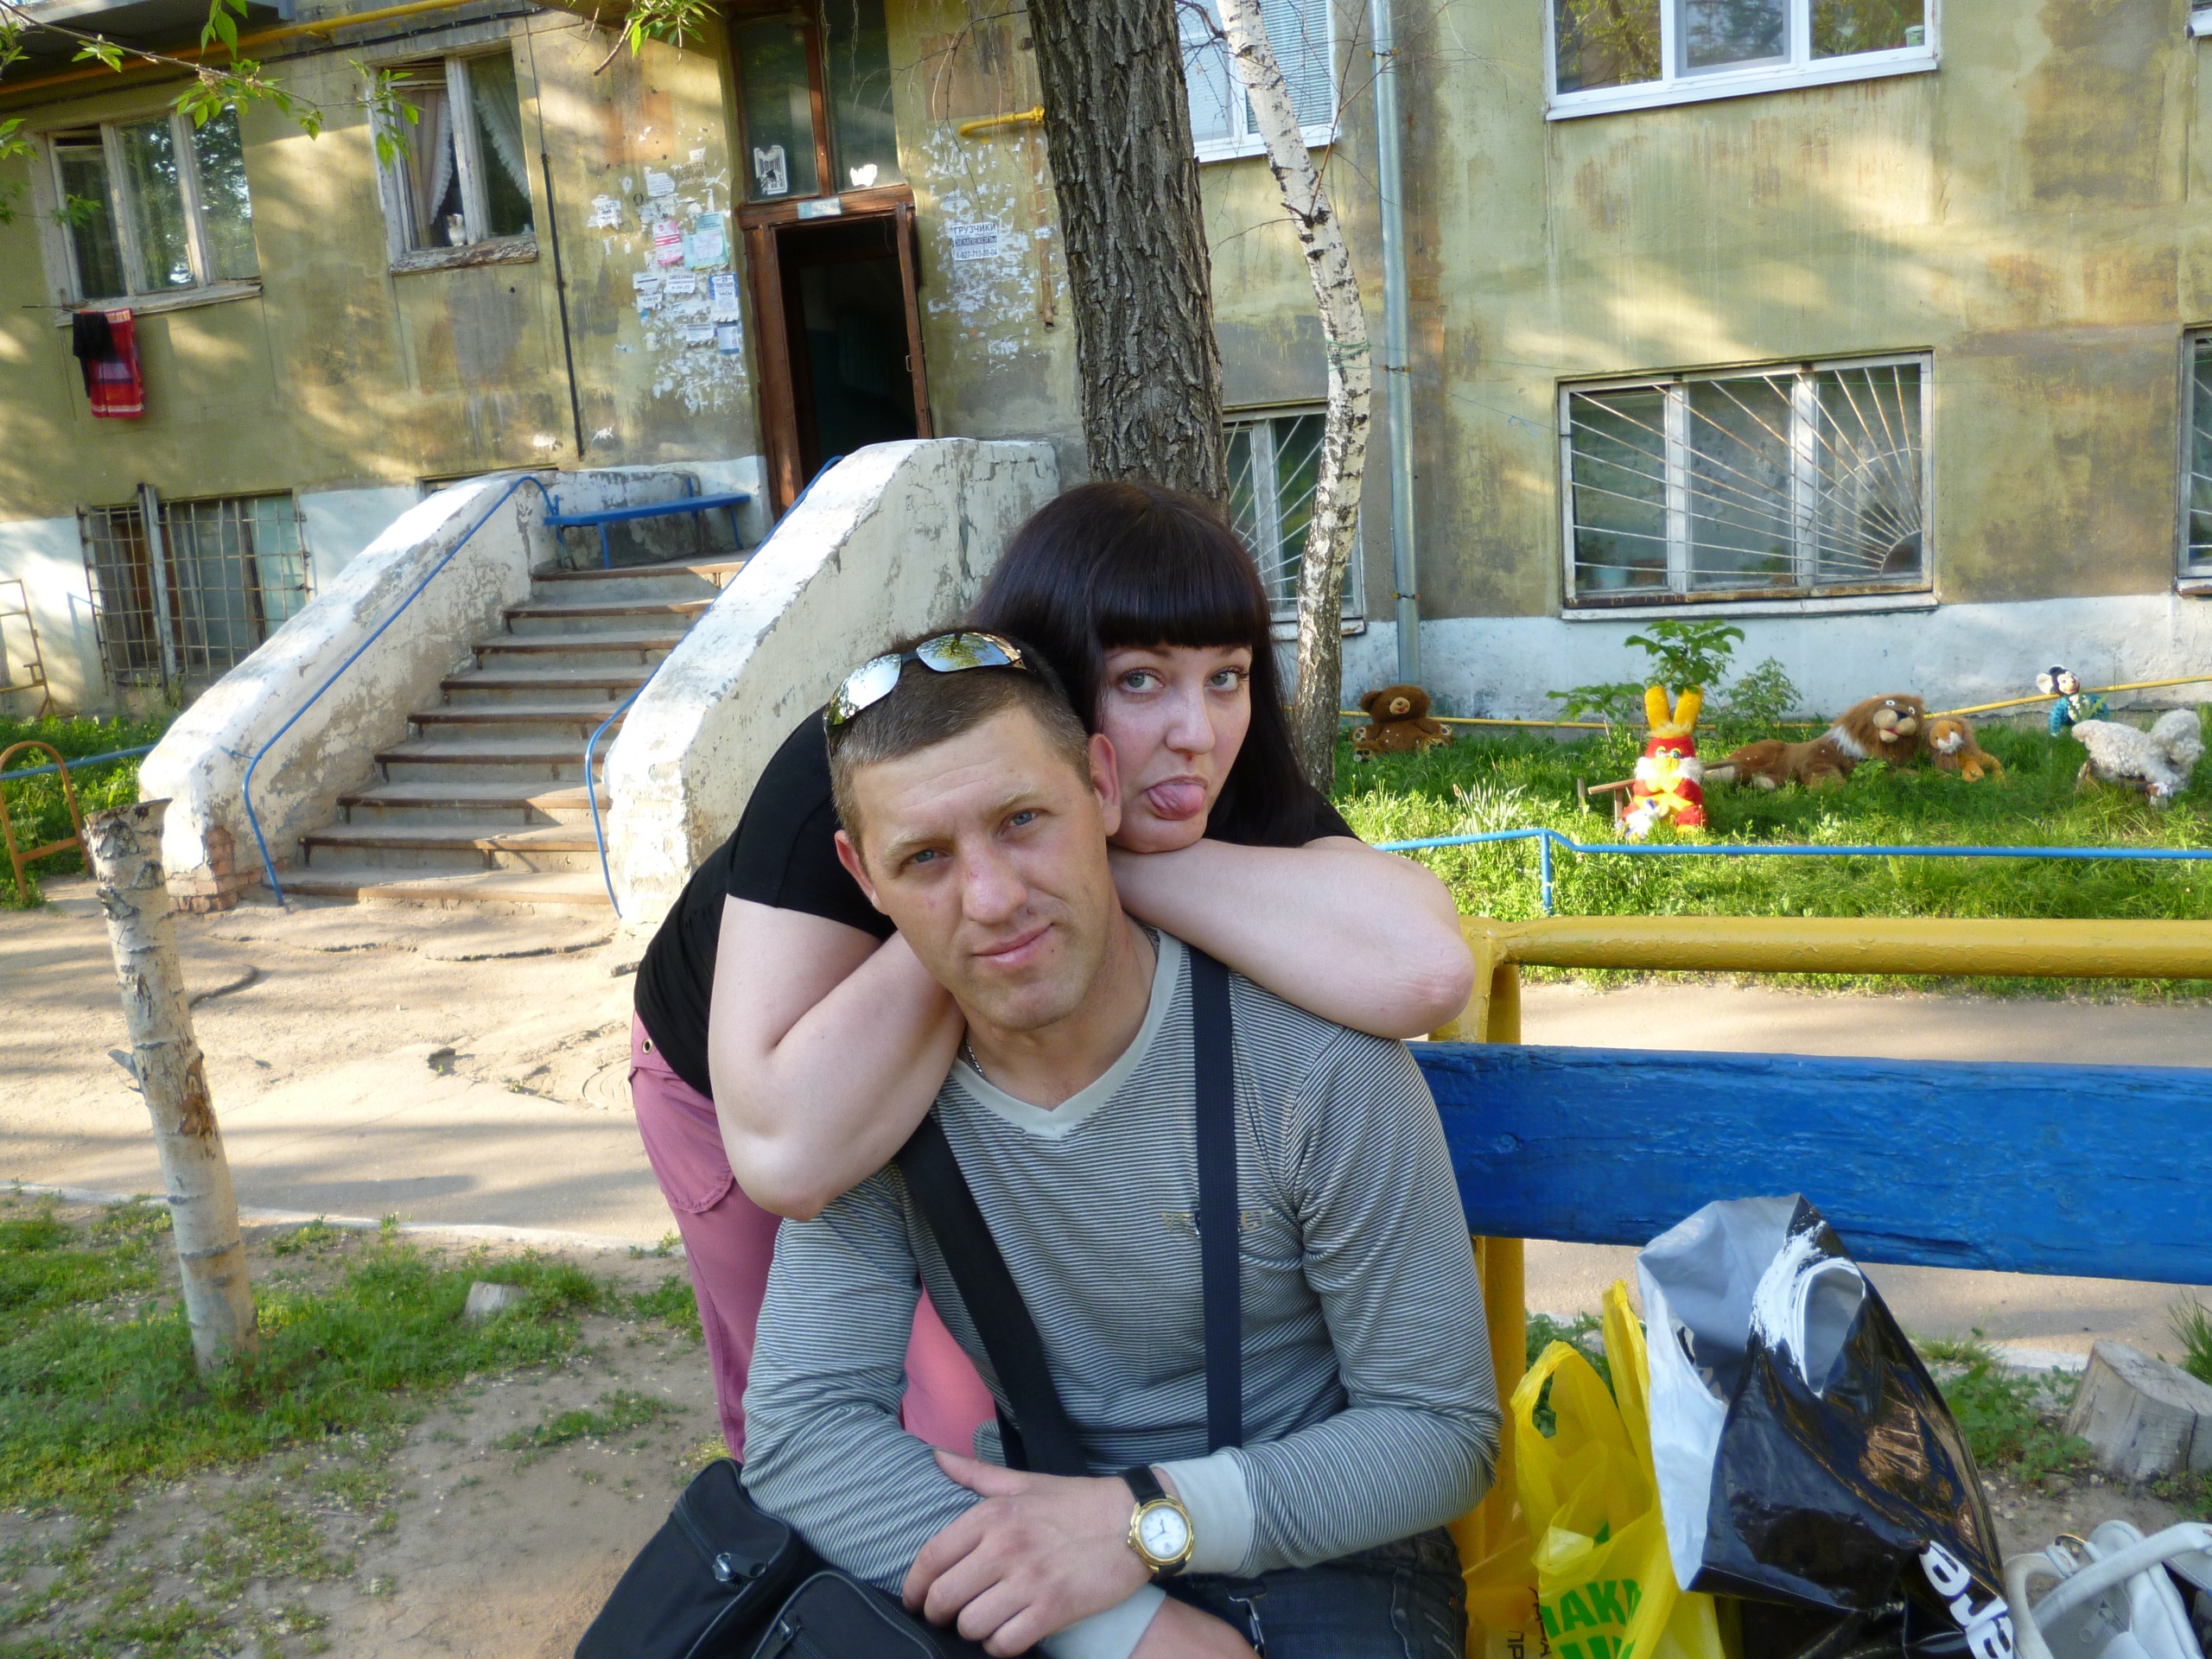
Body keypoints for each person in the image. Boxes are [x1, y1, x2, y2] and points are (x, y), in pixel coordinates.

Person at [626, 480, 1476, 1458]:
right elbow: (788, 1158)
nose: (1197, 732)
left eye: (1227, 676)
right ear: (1053, 683)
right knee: (833, 1442)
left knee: (982, 1431)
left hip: (972, 1103)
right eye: (1142, 680)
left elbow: (1422, 971)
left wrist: (1086, 856)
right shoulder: (863, 765)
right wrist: (1036, 861)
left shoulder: (1188, 780)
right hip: (727, 1092)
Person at [741, 640, 1498, 1659]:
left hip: (1323, 1544)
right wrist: (1124, 1626)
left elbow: (1438, 1431)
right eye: (925, 859)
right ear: (860, 874)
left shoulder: (1314, 1061)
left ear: (1101, 785)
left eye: (1023, 821)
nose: (992, 898)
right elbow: (802, 1431)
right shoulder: (883, 1109)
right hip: (1046, 1556)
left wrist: (1143, 1524)